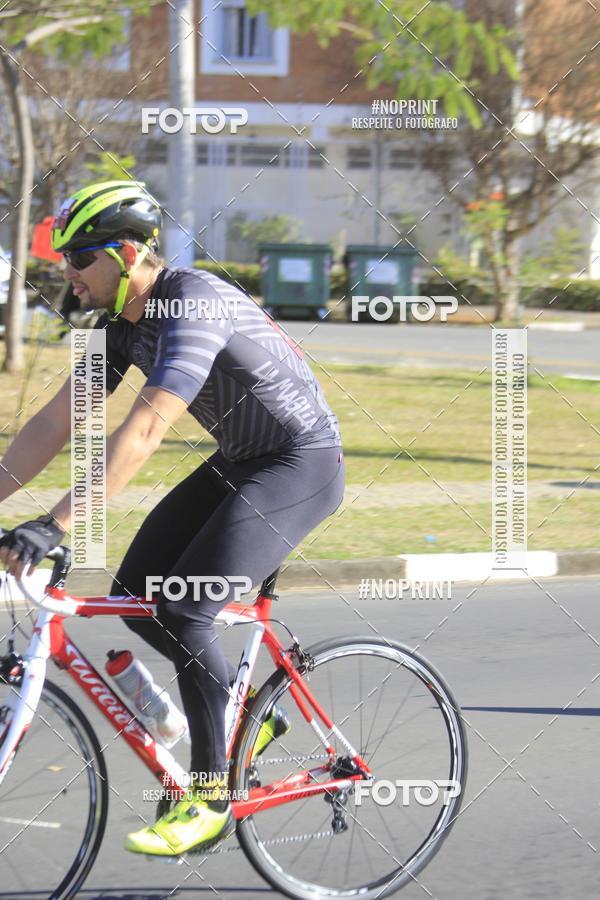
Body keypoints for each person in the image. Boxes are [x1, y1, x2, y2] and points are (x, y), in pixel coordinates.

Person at [0, 181, 345, 856]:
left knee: (184, 610)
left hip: (302, 463)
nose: (66, 272)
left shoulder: (191, 302)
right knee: (136, 602)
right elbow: (55, 420)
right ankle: (241, 718)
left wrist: (57, 523)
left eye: (80, 257)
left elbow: (148, 426)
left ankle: (211, 798)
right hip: (245, 459)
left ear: (127, 253)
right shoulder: (124, 326)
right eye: (63, 258)